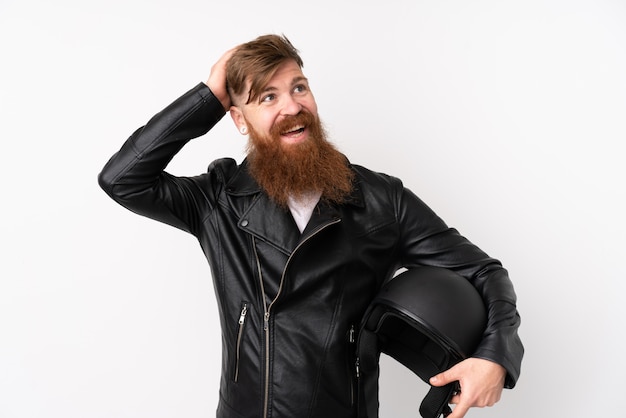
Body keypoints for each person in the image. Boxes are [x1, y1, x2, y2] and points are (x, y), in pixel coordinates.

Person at [98, 34, 523, 418]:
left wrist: (495, 356)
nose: (292, 106)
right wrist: (209, 95)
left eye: (298, 87)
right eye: (267, 97)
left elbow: (483, 271)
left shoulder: (381, 200)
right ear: (239, 119)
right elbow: (122, 179)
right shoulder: (217, 200)